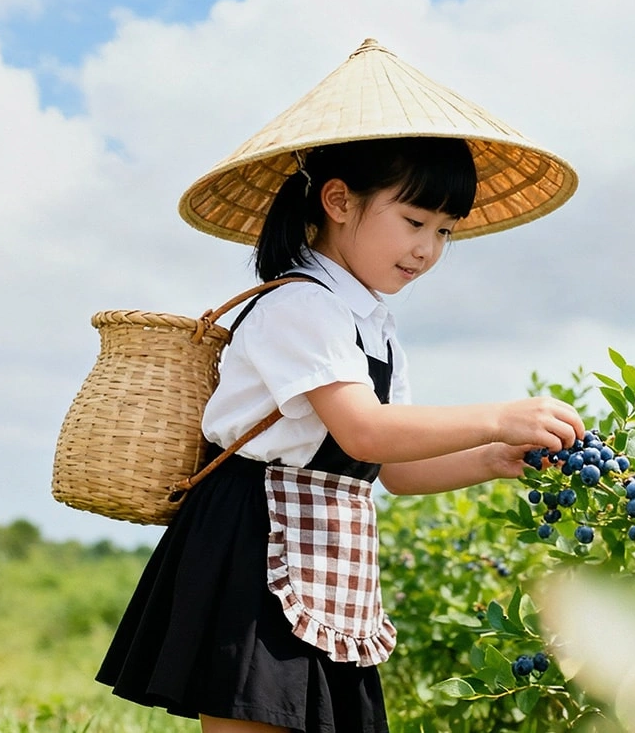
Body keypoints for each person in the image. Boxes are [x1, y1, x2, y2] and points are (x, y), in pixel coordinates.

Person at [96, 39, 584, 733]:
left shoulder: (374, 327)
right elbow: (363, 429)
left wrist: (490, 460)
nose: (427, 249)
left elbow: (390, 469)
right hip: (255, 544)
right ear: (338, 201)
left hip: (329, 551)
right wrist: (499, 415)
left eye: (445, 231)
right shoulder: (303, 305)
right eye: (414, 221)